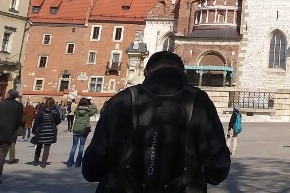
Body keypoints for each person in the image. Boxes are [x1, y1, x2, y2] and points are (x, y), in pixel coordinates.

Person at [83, 51, 230, 192]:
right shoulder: (200, 101)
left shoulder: (122, 100)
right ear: (183, 72)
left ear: (146, 72)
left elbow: (91, 169)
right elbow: (219, 167)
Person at [66, 97, 98, 168]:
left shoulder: (77, 111)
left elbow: (71, 109)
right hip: (84, 130)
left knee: (74, 146)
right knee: (81, 146)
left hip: (76, 129)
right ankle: (78, 163)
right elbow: (95, 109)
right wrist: (90, 102)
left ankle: (70, 163)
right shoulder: (88, 112)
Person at [31, 97, 62, 167]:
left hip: (41, 129)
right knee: (47, 146)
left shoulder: (41, 110)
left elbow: (37, 121)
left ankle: (36, 161)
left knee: (39, 145)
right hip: (51, 129)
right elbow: (59, 120)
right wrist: (55, 123)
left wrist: (34, 130)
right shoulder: (55, 111)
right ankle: (43, 163)